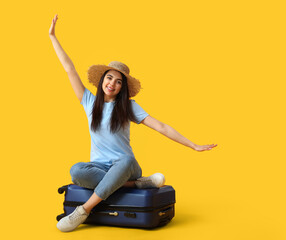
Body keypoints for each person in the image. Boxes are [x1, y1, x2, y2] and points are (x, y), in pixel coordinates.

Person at [49, 14, 218, 232]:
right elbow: (69, 68)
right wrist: (53, 36)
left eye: (118, 82)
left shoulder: (128, 107)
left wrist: (192, 145)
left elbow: (161, 126)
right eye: (110, 78)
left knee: (126, 159)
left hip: (126, 167)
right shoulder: (89, 101)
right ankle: (137, 186)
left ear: (122, 88)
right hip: (100, 167)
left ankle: (82, 211)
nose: (113, 84)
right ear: (102, 81)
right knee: (76, 171)